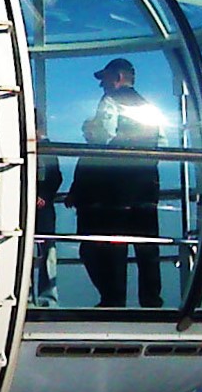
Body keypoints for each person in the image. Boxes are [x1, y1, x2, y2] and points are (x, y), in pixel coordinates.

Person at [67, 57, 165, 308]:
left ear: (118, 78)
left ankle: (113, 299)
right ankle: (151, 300)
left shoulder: (110, 102)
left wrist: (89, 128)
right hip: (146, 188)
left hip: (114, 190)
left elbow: (102, 139)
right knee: (147, 247)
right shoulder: (149, 108)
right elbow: (162, 143)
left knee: (113, 247)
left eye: (106, 80)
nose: (103, 86)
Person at [33, 114, 63, 307]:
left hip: (39, 207)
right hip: (42, 207)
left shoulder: (46, 149)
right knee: (45, 250)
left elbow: (55, 177)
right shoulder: (48, 149)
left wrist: (42, 195)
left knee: (45, 250)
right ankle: (44, 297)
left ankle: (44, 298)